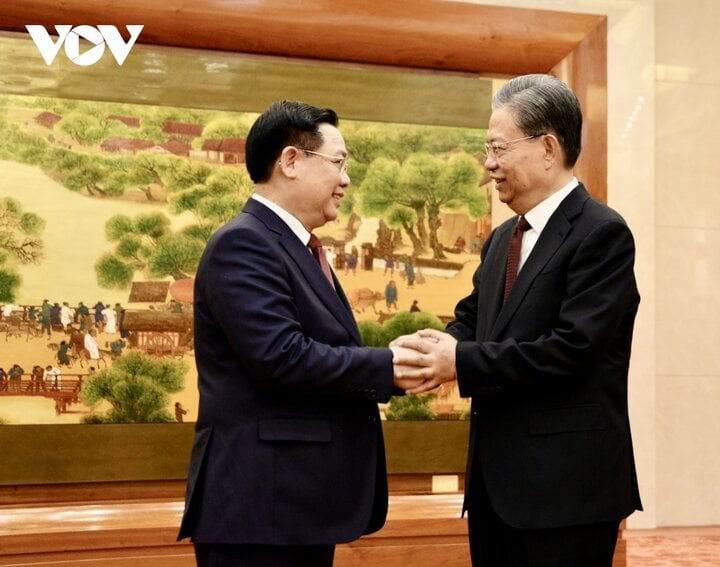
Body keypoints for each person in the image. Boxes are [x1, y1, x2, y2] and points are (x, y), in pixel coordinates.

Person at [392, 74, 642, 567]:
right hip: (495, 488)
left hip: (566, 492)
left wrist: (458, 360)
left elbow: (571, 350)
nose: (489, 164)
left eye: (498, 148)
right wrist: (424, 352)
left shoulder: (602, 234)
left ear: (548, 148)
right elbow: (473, 319)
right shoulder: (503, 236)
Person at [177, 100, 420, 567]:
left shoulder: (295, 247)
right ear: (291, 161)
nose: (346, 180)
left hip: (294, 507)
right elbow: (281, 357)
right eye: (338, 162)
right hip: (260, 510)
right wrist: (392, 366)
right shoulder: (244, 242)